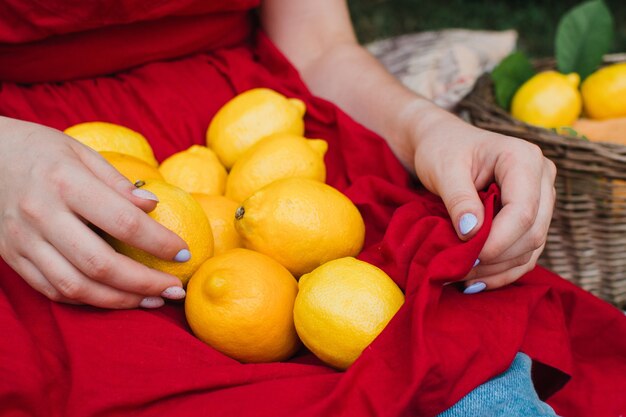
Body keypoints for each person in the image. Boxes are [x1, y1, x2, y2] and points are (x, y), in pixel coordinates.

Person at [0, 1, 624, 416]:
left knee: (451, 357)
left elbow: (322, 48)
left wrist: (427, 130)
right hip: (35, 171)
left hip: (268, 142)